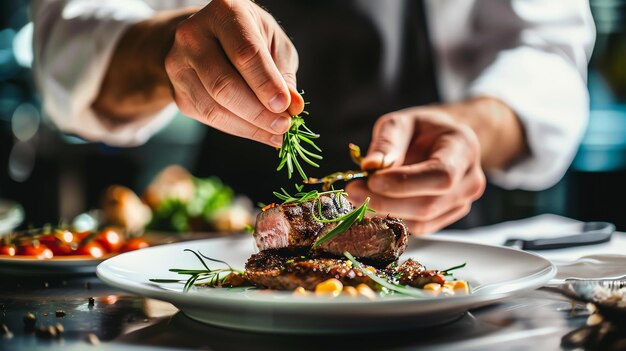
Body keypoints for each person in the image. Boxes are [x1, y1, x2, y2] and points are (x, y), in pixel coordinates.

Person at [30, 0, 595, 234]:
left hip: (443, 237)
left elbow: (545, 49)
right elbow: (65, 44)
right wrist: (165, 50)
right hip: (229, 237)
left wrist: (471, 128)